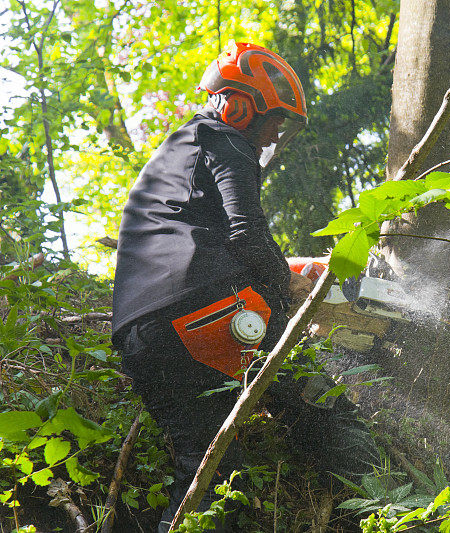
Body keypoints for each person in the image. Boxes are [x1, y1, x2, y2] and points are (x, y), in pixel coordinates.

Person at [112, 42, 379, 532]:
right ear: (238, 105)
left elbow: (206, 236)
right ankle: (392, 506)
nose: (276, 133)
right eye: (274, 119)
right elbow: (248, 232)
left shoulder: (180, 151)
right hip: (206, 310)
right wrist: (288, 290)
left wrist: (289, 267)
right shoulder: (228, 140)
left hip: (141, 332)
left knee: (206, 476)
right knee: (321, 408)